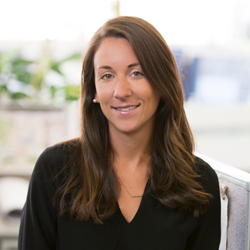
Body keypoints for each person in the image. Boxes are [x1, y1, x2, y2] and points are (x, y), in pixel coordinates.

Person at [18, 16, 221, 250]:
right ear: (93, 90)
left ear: (162, 82)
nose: (121, 91)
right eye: (107, 75)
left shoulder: (199, 183)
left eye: (137, 73)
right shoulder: (55, 169)